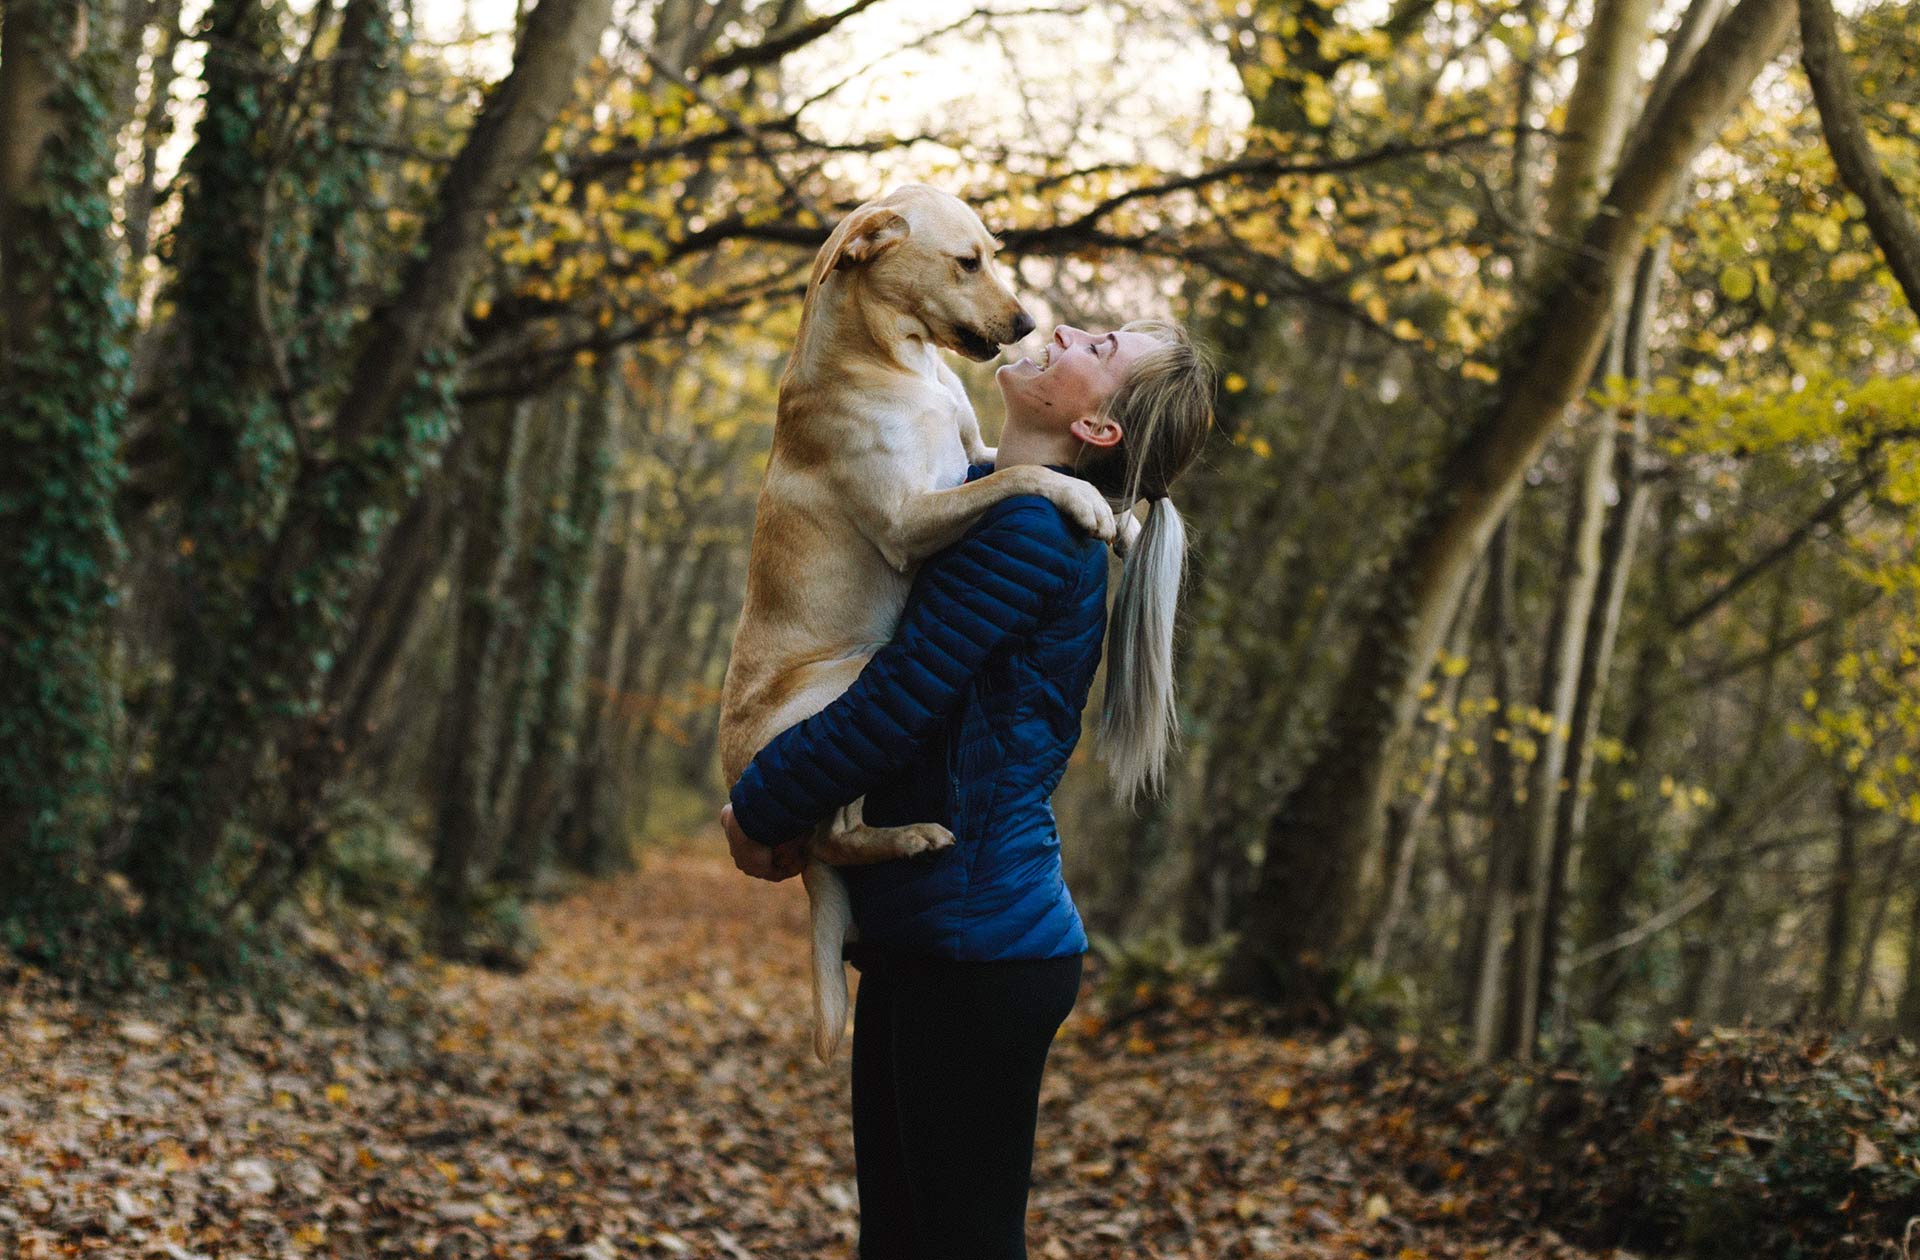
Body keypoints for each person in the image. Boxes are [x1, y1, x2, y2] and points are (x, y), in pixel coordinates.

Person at [719, 319, 1215, 1260]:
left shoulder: (1030, 528)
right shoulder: (1000, 505)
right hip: (938, 945)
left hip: (981, 949)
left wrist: (760, 809)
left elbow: (895, 702)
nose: (1062, 326)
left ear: (1100, 429)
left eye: (1100, 347)